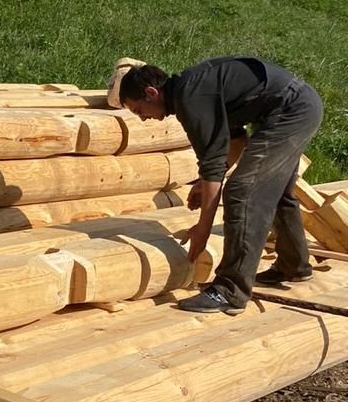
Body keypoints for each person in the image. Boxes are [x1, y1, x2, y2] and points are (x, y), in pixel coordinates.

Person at [117, 56, 324, 314]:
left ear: (151, 93)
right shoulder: (194, 89)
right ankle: (293, 266)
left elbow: (213, 164)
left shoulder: (190, 98)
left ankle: (230, 290)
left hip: (291, 110)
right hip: (298, 105)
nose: (143, 119)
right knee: (275, 189)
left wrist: (202, 230)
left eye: (139, 111)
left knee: (242, 192)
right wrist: (203, 184)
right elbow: (236, 142)